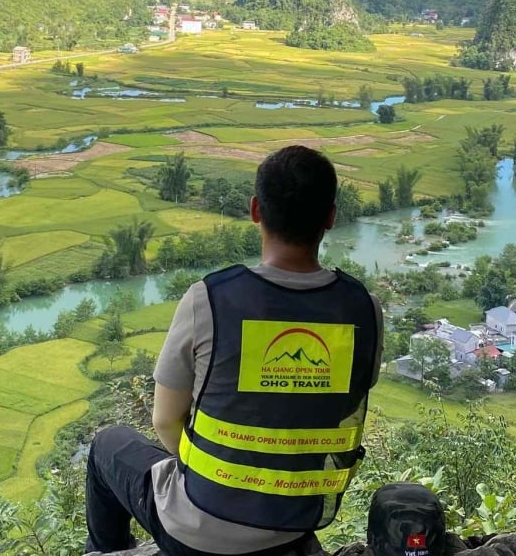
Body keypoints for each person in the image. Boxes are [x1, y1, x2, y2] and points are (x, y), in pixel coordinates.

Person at [86, 145, 384, 556]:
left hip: (197, 529)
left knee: (107, 445)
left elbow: (165, 421)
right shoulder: (363, 308)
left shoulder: (210, 299)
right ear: (331, 217)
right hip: (295, 521)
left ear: (256, 210)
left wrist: (222, 479)